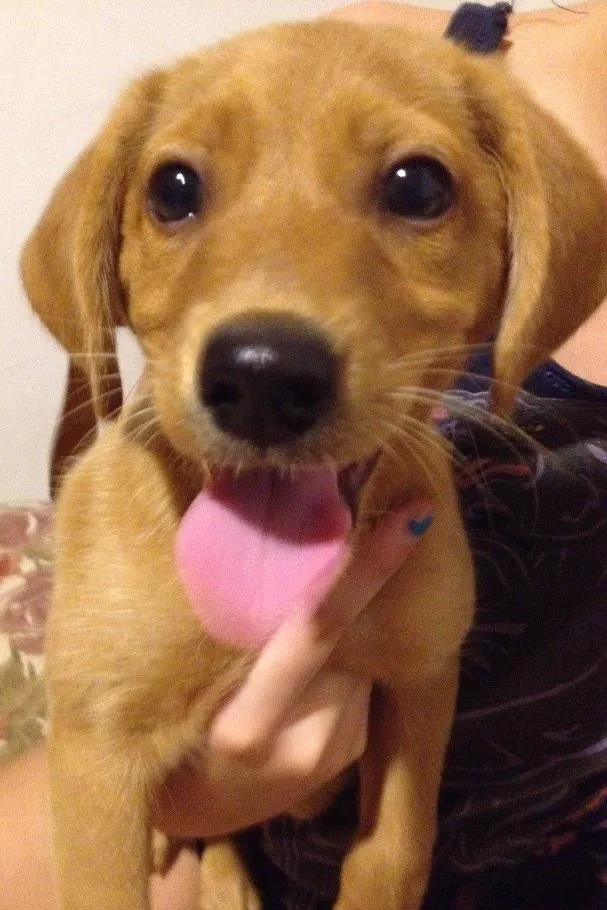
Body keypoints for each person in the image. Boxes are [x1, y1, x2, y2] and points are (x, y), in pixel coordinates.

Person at [2, 2, 606, 909]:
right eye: (176, 193)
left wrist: (388, 868)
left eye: (413, 192)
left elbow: (422, 671)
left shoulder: (506, 141)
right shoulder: (404, 55)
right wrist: (200, 812)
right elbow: (98, 751)